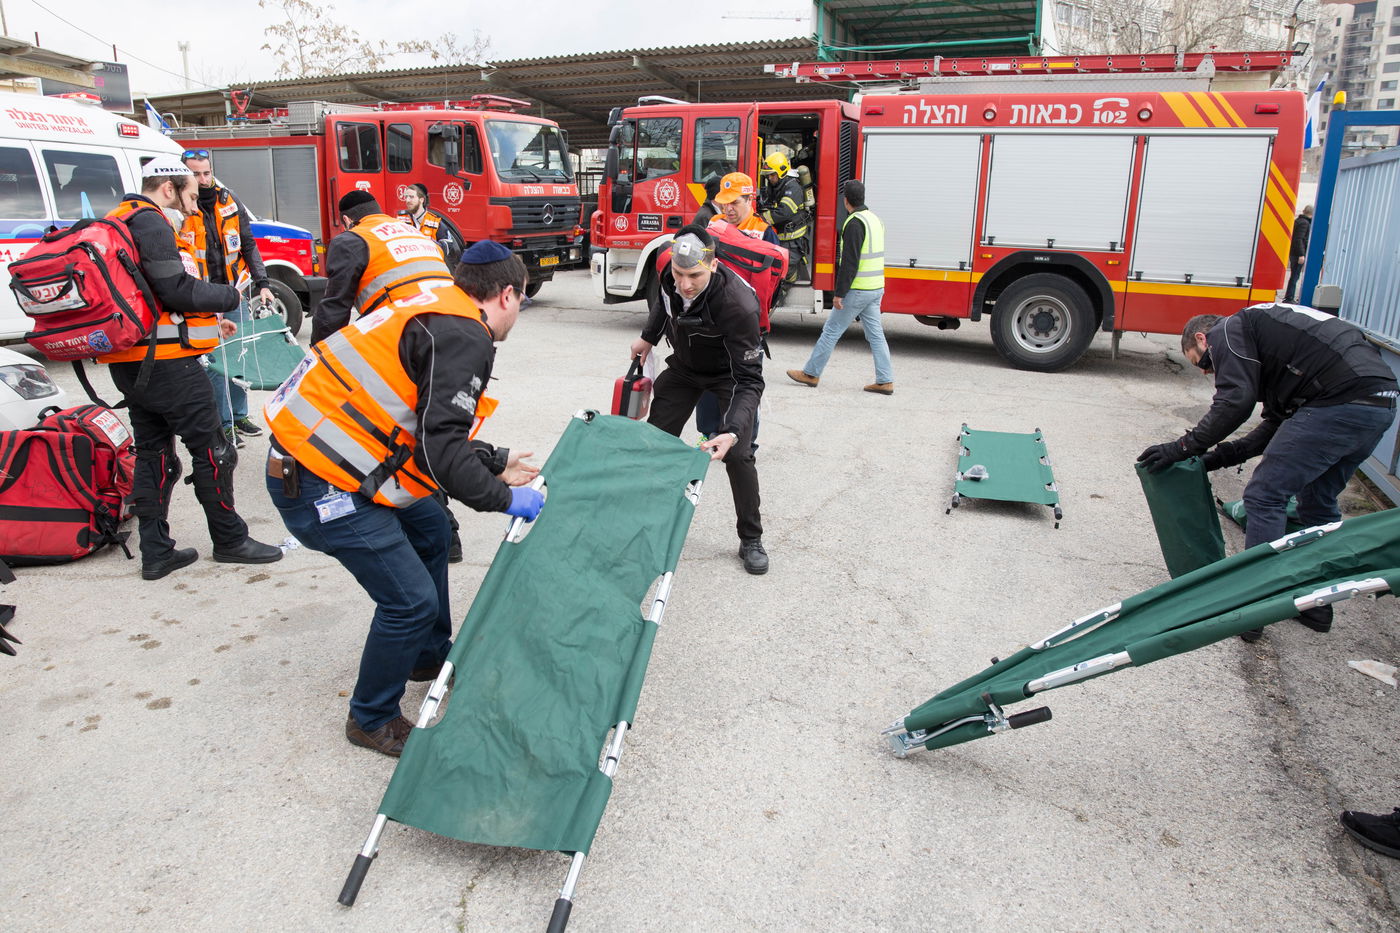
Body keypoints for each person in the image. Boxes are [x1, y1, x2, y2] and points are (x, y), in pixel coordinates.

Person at [264, 240, 543, 757]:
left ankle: (426, 656)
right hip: (319, 482)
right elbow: (440, 455)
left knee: (432, 530)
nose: (517, 315)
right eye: (522, 302)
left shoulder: (435, 304)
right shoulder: (465, 333)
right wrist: (507, 498)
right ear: (507, 294)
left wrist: (493, 457)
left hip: (329, 460)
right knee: (409, 600)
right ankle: (371, 718)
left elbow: (416, 425)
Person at [1137, 304, 1397, 640]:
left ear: (1203, 338)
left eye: (1203, 363)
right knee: (1317, 501)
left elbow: (1235, 401)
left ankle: (1253, 607)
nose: (1207, 373)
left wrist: (1183, 448)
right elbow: (1276, 426)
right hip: (1379, 404)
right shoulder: (1276, 348)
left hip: (1341, 399)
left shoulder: (1227, 331)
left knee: (1265, 495)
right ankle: (1315, 604)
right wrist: (1212, 459)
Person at [98, 156, 283, 579]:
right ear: (168, 188)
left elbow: (151, 295)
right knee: (215, 450)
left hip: (133, 363)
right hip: (167, 365)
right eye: (189, 196)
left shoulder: (117, 220)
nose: (193, 207)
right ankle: (230, 539)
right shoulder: (151, 222)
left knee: (154, 454)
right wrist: (227, 297)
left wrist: (206, 319)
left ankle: (157, 551)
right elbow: (175, 287)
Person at [629, 225, 768, 575]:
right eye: (679, 273)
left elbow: (750, 381)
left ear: (714, 266)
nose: (685, 283)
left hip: (729, 375)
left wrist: (733, 431)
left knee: (738, 453)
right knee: (656, 441)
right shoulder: (668, 273)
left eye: (694, 275)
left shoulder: (739, 305)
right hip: (686, 367)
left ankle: (751, 538)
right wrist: (648, 338)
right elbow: (665, 302)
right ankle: (645, 522)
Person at [179, 149, 276, 450]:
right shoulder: (181, 208)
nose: (203, 179)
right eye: (196, 174)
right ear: (184, 175)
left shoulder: (228, 199)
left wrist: (263, 283)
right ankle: (223, 424)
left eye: (207, 172)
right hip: (202, 295)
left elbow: (248, 244)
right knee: (213, 362)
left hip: (233, 291)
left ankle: (239, 416)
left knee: (239, 355)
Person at [786, 180, 895, 395]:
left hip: (858, 289)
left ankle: (811, 373)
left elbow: (850, 263)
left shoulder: (854, 223)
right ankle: (885, 380)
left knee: (831, 331)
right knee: (876, 335)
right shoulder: (875, 219)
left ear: (846, 201)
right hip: (875, 288)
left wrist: (839, 294)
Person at [694, 172, 776, 447]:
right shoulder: (713, 226)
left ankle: (744, 442)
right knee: (707, 381)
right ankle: (709, 435)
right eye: (724, 203)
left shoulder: (764, 231)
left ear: (750, 199)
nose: (728, 209)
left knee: (744, 385)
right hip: (712, 323)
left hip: (747, 325)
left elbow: (775, 281)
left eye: (735, 202)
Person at [310, 191, 453, 345]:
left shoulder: (353, 239)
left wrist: (319, 352)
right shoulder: (414, 232)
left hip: (413, 331)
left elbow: (334, 308)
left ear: (346, 220)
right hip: (458, 316)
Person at [759, 151, 811, 283]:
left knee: (788, 267)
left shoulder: (792, 187)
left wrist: (762, 218)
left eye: (772, 174)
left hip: (792, 238)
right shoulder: (777, 185)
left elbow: (784, 211)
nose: (770, 178)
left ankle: (787, 287)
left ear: (781, 172)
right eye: (768, 175)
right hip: (782, 236)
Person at [400, 182, 463, 267]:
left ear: (421, 200)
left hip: (430, 266)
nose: (407, 200)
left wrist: (429, 245)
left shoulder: (435, 221)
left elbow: (448, 244)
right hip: (408, 266)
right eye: (406, 197)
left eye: (411, 197)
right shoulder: (400, 219)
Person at [1285, 204, 1314, 304]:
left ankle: (1289, 297)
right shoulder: (1305, 223)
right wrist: (1301, 254)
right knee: (1295, 276)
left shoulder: (1298, 221)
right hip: (1297, 254)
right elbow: (1299, 239)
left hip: (1293, 253)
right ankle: (1289, 298)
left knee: (1294, 275)